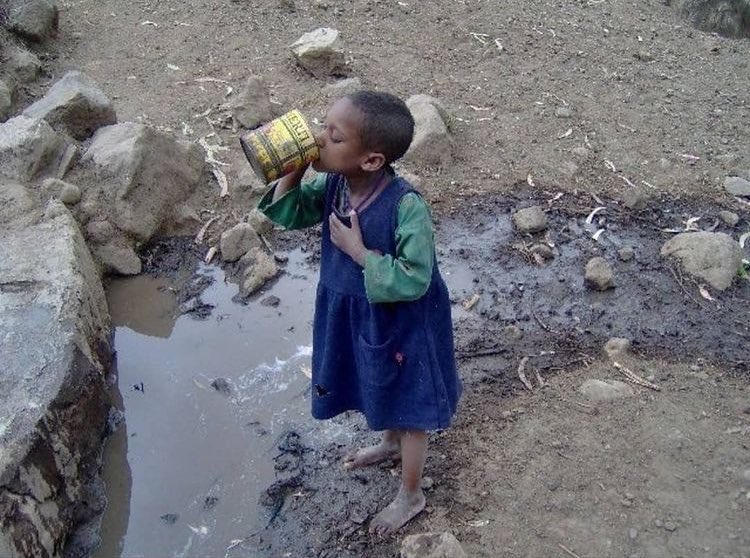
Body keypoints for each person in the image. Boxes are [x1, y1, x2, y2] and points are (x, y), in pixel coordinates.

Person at [257, 90, 461, 536]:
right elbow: (287, 214)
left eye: (334, 136)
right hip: (357, 315)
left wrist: (360, 252)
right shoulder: (333, 184)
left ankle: (411, 493)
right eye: (322, 126)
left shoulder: (406, 206)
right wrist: (291, 170)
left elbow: (415, 276)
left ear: (371, 160)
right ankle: (388, 443)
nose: (319, 140)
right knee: (376, 379)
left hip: (403, 325)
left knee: (409, 404)